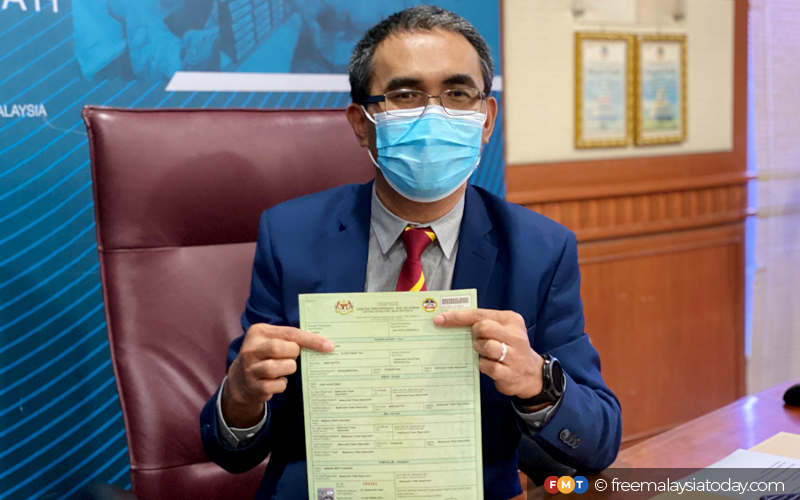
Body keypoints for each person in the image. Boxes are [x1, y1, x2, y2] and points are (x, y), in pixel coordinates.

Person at [200, 6, 622, 500]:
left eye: (457, 93)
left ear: (486, 119)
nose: (433, 114)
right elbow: (231, 451)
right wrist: (242, 395)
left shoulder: (539, 249)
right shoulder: (291, 236)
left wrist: (537, 384)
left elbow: (597, 443)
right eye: (405, 95)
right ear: (362, 123)